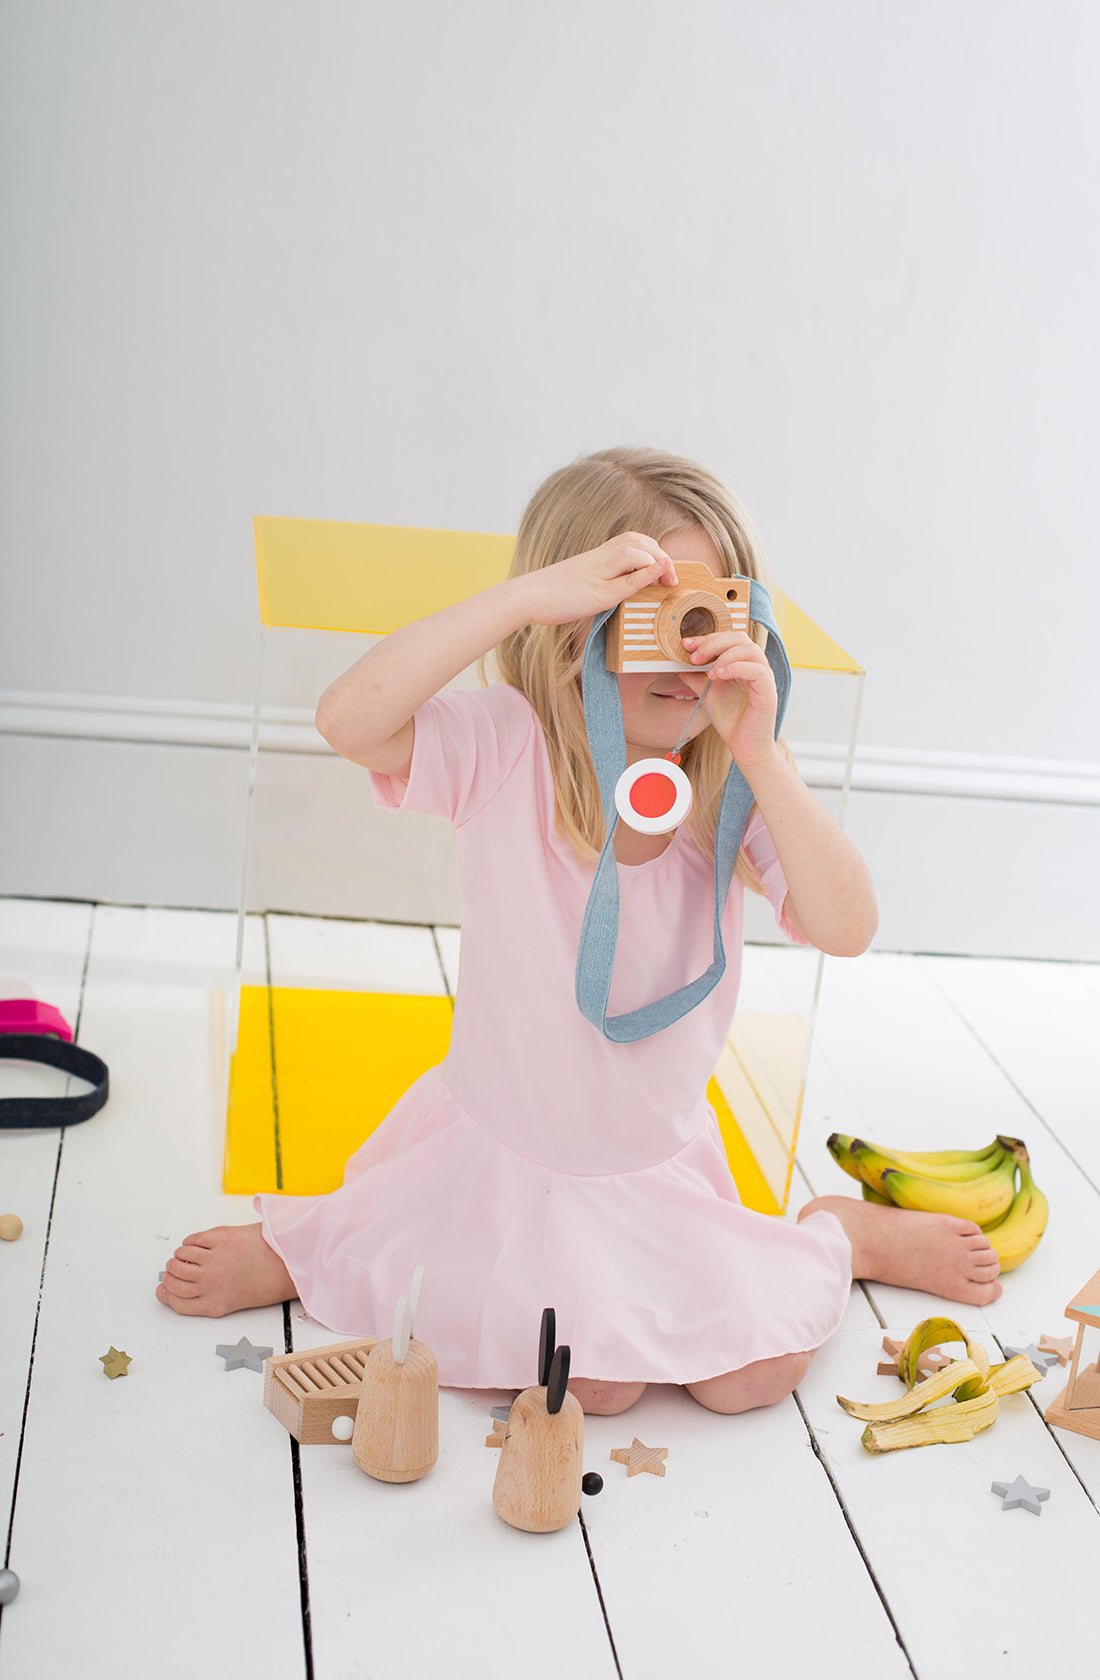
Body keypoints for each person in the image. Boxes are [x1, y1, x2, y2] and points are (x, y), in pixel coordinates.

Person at [156, 447, 1001, 1416]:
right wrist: (518, 601)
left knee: (748, 1380)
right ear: (574, 623)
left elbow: (847, 927)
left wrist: (761, 755)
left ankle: (839, 1235)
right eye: (652, 615)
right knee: (590, 1386)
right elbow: (349, 720)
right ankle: (306, 1244)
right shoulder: (508, 744)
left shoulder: (726, 785)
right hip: (502, 1153)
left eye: (712, 616)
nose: (687, 652)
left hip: (649, 1166)